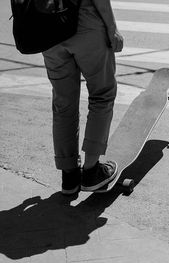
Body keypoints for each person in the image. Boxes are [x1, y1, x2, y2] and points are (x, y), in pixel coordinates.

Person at [42, 0, 124, 195]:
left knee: (63, 103)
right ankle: (91, 171)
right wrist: (113, 29)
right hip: (85, 25)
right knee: (102, 95)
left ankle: (69, 177)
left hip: (47, 31)